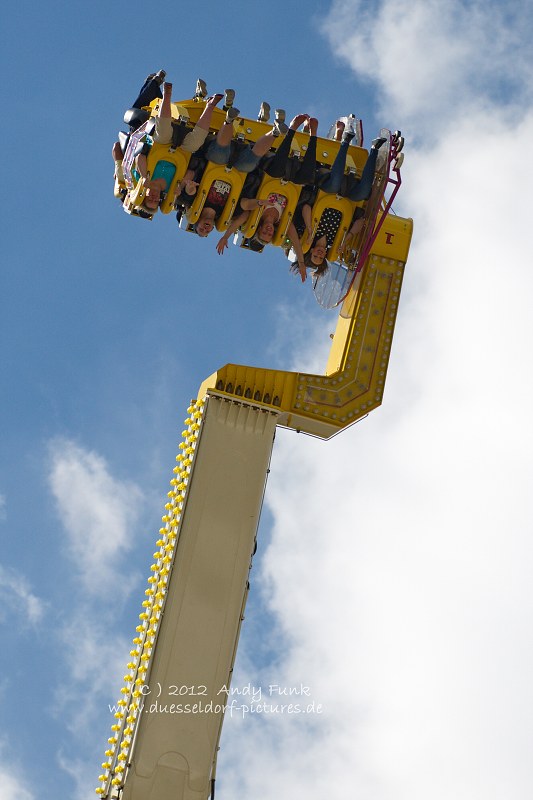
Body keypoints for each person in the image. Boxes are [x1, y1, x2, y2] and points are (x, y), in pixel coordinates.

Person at [213, 115, 317, 267]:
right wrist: (301, 262)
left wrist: (225, 237)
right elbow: (295, 240)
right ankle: (313, 134)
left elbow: (240, 216)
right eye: (270, 234)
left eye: (264, 233)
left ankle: (292, 128)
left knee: (278, 168)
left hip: (271, 176)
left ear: (259, 229)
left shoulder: (255, 213)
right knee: (307, 176)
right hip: (292, 184)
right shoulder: (282, 221)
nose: (268, 231)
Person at [175, 105, 294, 237]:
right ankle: (275, 132)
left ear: (197, 223)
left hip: (215, 164)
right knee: (249, 164)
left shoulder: (192, 203)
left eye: (201, 229)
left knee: (220, 155)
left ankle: (229, 120)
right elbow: (244, 204)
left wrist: (189, 186)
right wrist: (259, 203)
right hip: (237, 172)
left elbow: (189, 192)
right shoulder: (226, 212)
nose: (206, 229)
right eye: (207, 232)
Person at [288, 128, 387, 275]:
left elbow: (306, 207)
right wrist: (347, 238)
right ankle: (374, 149)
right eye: (321, 258)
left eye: (315, 255)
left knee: (335, 182)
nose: (320, 254)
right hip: (347, 200)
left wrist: (309, 229)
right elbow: (361, 222)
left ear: (312, 251)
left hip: (326, 192)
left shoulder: (307, 234)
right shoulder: (336, 242)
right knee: (364, 191)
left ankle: (345, 141)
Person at [134, 83, 225, 213]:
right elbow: (190, 172)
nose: (154, 198)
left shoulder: (141, 179)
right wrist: (183, 185)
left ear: (144, 196)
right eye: (156, 201)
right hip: (181, 153)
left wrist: (144, 177)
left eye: (150, 199)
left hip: (160, 144)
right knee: (196, 142)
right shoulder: (171, 188)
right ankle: (210, 106)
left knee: (163, 132)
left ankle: (167, 94)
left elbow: (140, 157)